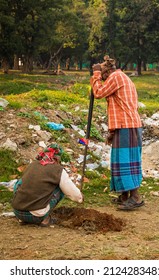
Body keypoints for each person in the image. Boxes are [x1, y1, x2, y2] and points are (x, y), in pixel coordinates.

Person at [90, 55, 144, 210]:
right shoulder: (120, 77)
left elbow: (98, 93)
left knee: (126, 162)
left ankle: (136, 197)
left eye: (103, 73)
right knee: (119, 161)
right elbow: (117, 106)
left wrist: (95, 75)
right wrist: (112, 132)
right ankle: (124, 196)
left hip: (128, 125)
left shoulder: (116, 77)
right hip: (124, 125)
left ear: (107, 71)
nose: (103, 77)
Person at [12, 143, 83, 226]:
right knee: (60, 187)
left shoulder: (32, 165)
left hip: (18, 212)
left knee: (19, 183)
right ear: (58, 158)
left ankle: (23, 218)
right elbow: (70, 190)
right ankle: (44, 220)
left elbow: (18, 186)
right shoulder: (57, 170)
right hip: (36, 216)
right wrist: (80, 198)